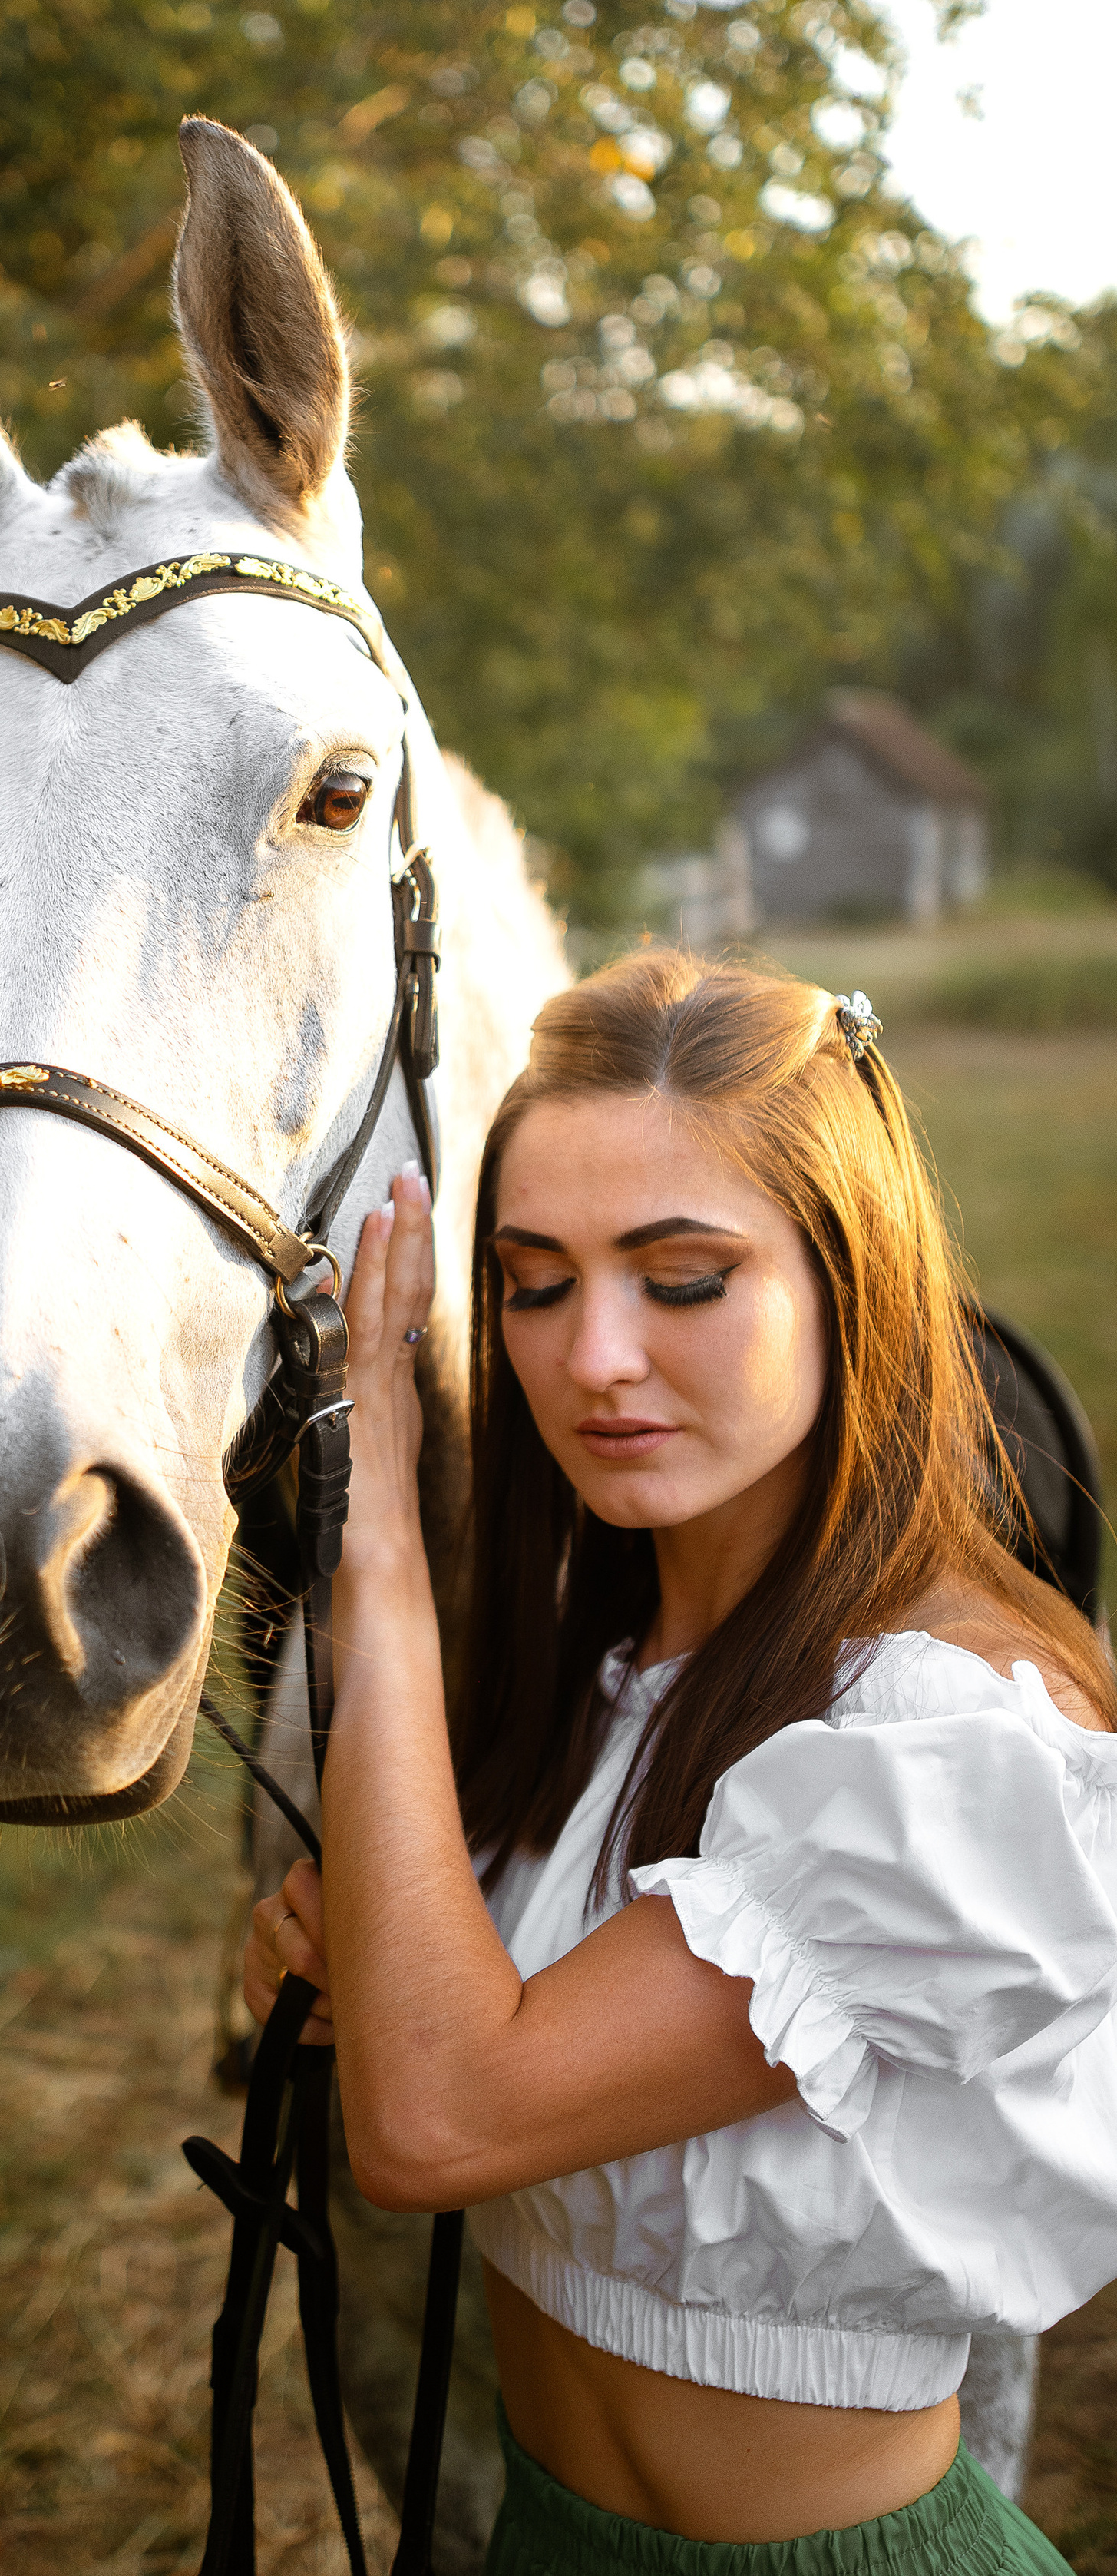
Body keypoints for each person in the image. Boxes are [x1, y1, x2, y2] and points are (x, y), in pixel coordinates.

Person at [244, 949, 1117, 2573]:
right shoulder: (591, 1674)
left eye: (682, 1277)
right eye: (532, 1282)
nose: (591, 1361)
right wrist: (329, 1952)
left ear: (844, 1281)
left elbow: (433, 2124)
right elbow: (418, 2043)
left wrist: (372, 1561)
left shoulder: (947, 1746)